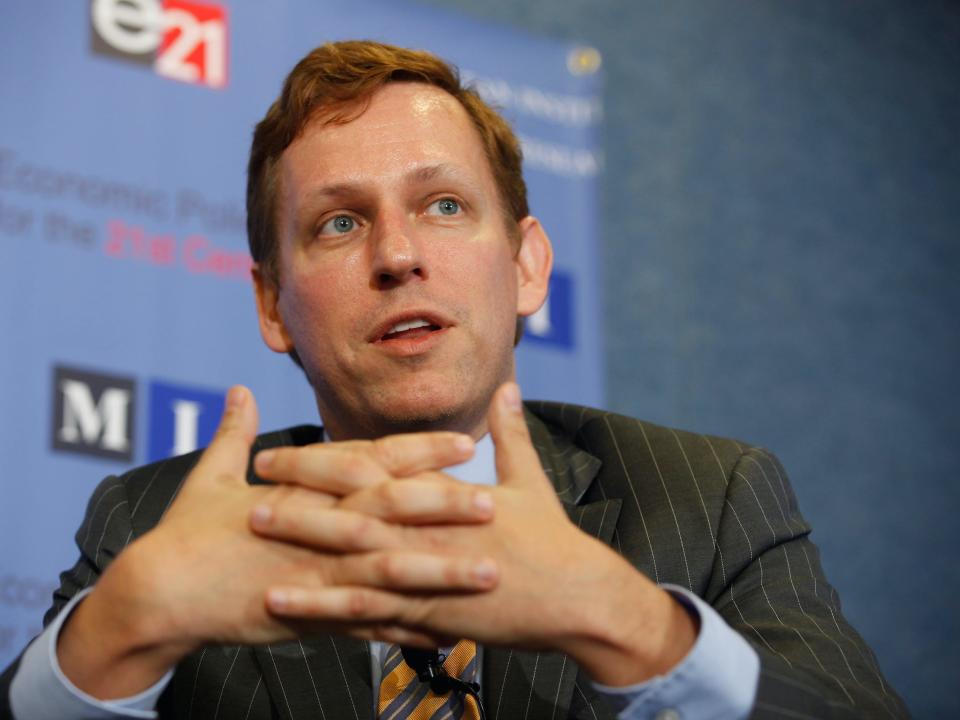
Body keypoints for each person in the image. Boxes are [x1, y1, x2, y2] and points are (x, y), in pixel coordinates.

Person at [1, 41, 907, 719]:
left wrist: (630, 625)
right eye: (339, 225)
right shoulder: (151, 523)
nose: (398, 255)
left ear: (526, 266)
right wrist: (111, 643)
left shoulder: (707, 501)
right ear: (273, 306)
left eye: (444, 206)